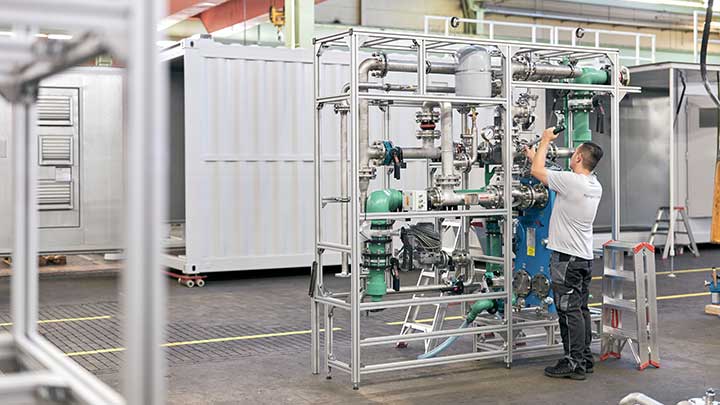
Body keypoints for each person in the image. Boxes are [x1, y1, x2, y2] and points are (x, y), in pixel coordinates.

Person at [524, 127, 604, 381]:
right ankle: (584, 358)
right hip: (583, 257)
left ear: (579, 157)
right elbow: (553, 174)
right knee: (580, 309)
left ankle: (574, 363)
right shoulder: (593, 184)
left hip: (566, 258)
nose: (571, 156)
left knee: (568, 311)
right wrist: (534, 154)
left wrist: (546, 140)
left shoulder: (572, 182)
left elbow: (538, 173)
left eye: (574, 154)